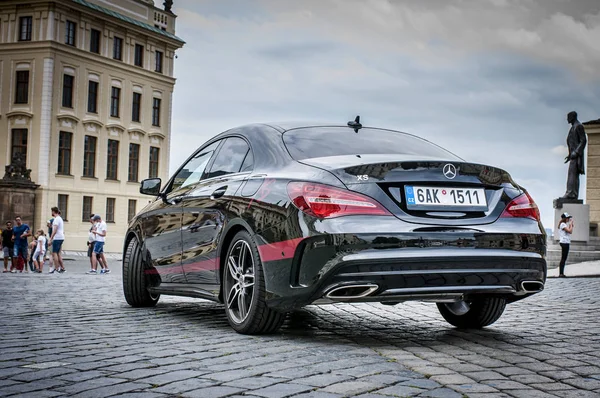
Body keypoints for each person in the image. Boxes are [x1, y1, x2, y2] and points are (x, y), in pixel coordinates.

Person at [48, 207, 66, 274]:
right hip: (61, 237)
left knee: (54, 253)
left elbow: (55, 230)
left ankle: (56, 268)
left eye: (52, 211)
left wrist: (51, 239)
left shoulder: (56, 219)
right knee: (58, 253)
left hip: (57, 237)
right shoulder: (60, 218)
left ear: (53, 212)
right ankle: (62, 268)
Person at [558, 213, 574, 278]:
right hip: (564, 243)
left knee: (564, 258)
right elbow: (570, 231)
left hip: (565, 242)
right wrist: (571, 225)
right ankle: (561, 273)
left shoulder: (563, 224)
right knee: (563, 258)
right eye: (568, 218)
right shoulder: (563, 224)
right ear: (565, 218)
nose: (569, 219)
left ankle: (561, 273)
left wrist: (570, 225)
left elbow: (569, 231)